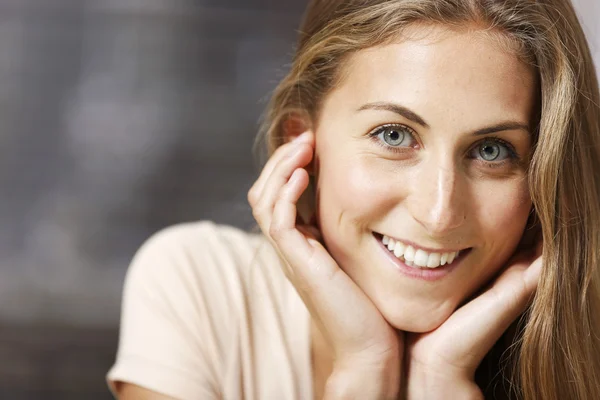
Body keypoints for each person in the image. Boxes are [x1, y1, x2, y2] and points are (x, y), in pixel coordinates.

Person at [106, 0, 600, 399]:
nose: (438, 213)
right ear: (304, 145)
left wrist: (440, 385)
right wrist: (364, 371)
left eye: (491, 151)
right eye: (393, 136)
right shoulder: (202, 287)